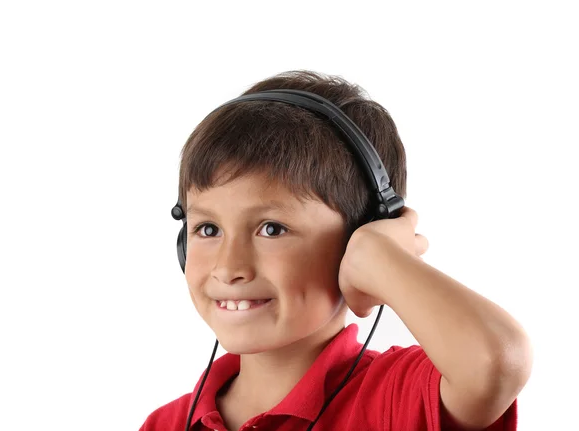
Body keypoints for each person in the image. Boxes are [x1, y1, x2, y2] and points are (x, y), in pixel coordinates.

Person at [139, 70, 532, 430]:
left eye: (272, 229)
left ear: (357, 238)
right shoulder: (168, 423)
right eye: (208, 228)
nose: (229, 268)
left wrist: (381, 258)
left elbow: (497, 362)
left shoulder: (396, 397)